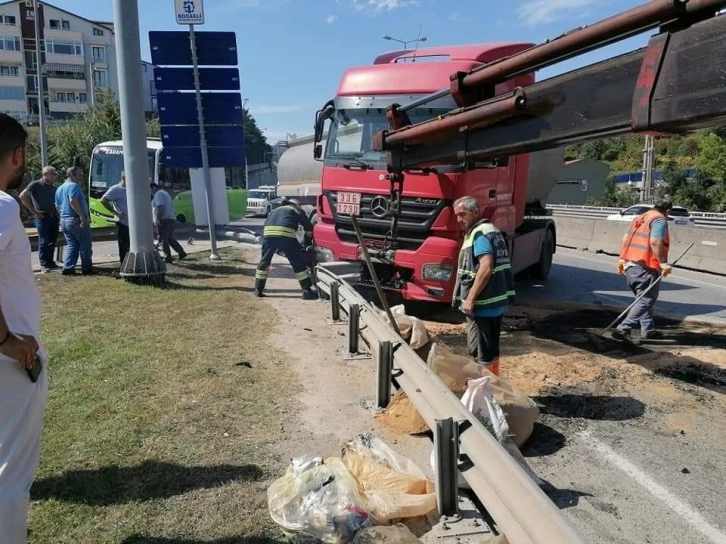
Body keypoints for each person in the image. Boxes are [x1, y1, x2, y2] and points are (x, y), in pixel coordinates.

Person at [0, 113, 48, 544]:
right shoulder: (1, 203)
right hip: (9, 363)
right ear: (16, 154)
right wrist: (5, 340)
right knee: (10, 475)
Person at [452, 196, 515, 376]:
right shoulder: (492, 230)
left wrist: (470, 299)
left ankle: (484, 392)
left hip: (484, 304)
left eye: (462, 214)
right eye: (457, 215)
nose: (459, 220)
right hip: (495, 303)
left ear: (476, 212)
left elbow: (486, 267)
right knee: (491, 351)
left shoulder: (479, 234)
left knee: (480, 351)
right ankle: (494, 388)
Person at [613, 200, 673, 342]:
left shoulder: (640, 217)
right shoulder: (659, 220)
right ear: (668, 211)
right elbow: (655, 241)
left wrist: (622, 258)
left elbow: (626, 238)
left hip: (631, 265)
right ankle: (623, 328)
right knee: (646, 300)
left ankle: (648, 330)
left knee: (643, 300)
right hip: (646, 267)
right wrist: (663, 263)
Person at [255, 198, 318, 300]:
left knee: (264, 261)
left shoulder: (274, 211)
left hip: (268, 235)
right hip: (285, 236)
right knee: (298, 263)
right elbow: (308, 227)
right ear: (296, 204)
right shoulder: (296, 210)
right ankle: (307, 291)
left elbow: (267, 223)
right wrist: (307, 241)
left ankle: (258, 289)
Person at [19, 165, 59, 272]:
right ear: (44, 174)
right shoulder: (36, 184)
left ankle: (51, 262)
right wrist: (34, 211)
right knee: (44, 241)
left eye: (55, 174)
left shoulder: (53, 187)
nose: (54, 176)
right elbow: (23, 196)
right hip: (42, 217)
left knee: (52, 240)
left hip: (53, 216)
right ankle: (44, 264)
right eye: (52, 174)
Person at [54, 166, 93, 275]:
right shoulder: (74, 186)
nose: (81, 177)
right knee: (85, 244)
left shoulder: (60, 188)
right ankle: (87, 268)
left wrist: (63, 216)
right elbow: (73, 200)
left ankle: (68, 267)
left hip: (65, 220)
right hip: (76, 219)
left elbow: (57, 205)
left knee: (72, 245)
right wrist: (81, 216)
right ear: (71, 175)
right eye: (79, 175)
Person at [150, 183, 187, 263]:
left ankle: (168, 257)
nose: (149, 192)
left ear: (153, 187)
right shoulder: (164, 193)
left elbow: (160, 207)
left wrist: (157, 218)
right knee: (169, 238)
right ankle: (181, 252)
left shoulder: (159, 194)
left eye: (149, 189)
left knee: (163, 239)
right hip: (170, 218)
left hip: (164, 219)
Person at [100, 171, 130, 265]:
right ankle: (123, 265)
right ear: (124, 178)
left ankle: (131, 264)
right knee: (124, 246)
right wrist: (116, 213)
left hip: (132, 223)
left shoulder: (131, 188)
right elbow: (103, 200)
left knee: (131, 245)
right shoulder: (116, 189)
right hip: (122, 222)